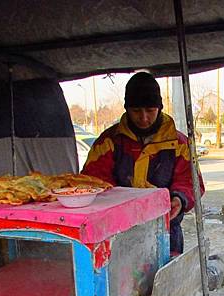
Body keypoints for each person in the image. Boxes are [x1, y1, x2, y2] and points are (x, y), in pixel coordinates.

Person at [82, 72, 204, 255]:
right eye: (137, 111)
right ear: (127, 109)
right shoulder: (109, 142)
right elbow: (92, 183)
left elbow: (191, 182)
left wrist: (179, 199)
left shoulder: (180, 144)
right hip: (118, 235)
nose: (144, 118)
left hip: (166, 233)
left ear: (159, 108)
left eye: (150, 110)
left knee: (163, 281)